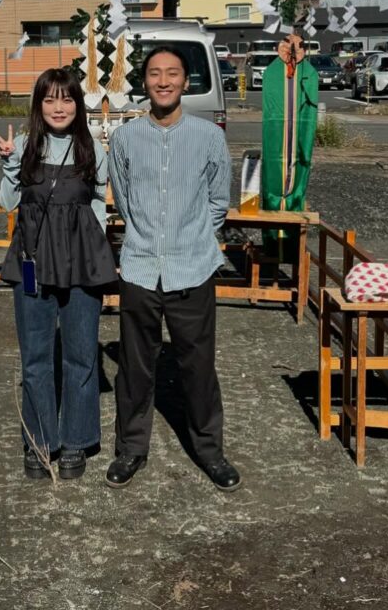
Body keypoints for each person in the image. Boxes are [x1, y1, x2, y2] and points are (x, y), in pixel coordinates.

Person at [105, 45, 241, 492]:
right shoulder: (125, 139)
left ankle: (209, 450)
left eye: (173, 74)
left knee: (198, 365)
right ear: (144, 82)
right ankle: (131, 449)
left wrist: (195, 237)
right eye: (155, 74)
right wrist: (145, 236)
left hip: (192, 267)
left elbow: (219, 201)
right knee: (135, 366)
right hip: (141, 267)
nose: (163, 81)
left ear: (186, 82)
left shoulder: (208, 137)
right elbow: (122, 199)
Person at [0, 68, 116, 480]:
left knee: (81, 355)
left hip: (82, 260)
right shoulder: (26, 146)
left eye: (66, 99)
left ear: (77, 105)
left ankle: (77, 441)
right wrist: (10, 164)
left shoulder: (92, 150)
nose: (58, 107)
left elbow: (99, 200)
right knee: (35, 358)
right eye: (49, 99)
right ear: (38, 104)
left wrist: (96, 243)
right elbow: (8, 203)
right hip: (32, 260)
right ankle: (39, 439)